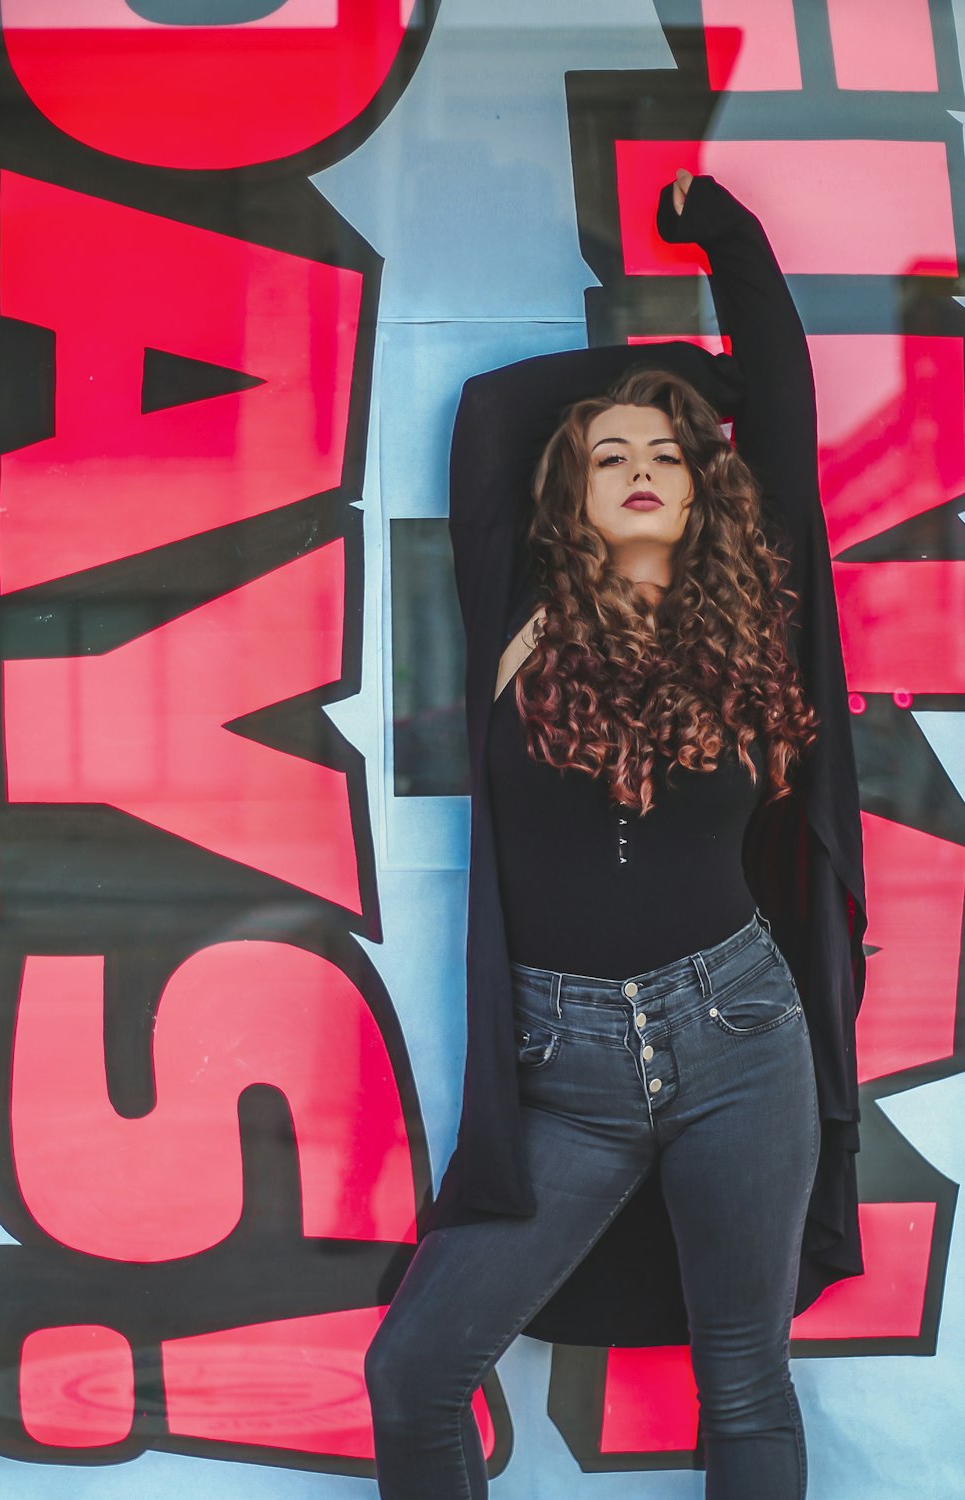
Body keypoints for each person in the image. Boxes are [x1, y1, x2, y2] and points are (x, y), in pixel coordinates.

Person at [365, 170, 866, 1500]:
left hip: (740, 1037)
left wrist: (730, 239)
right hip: (566, 1067)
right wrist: (654, 376)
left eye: (667, 456)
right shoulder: (518, 610)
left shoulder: (756, 616)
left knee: (744, 1380)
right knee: (414, 1375)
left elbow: (783, 403)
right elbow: (500, 411)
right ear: (565, 496)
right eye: (611, 458)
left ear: (706, 492)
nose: (643, 471)